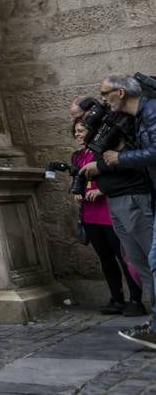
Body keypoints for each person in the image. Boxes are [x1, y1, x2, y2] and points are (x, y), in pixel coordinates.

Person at [97, 73, 156, 350]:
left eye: (104, 93)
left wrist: (120, 157)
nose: (103, 100)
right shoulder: (141, 116)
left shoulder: (152, 110)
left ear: (120, 93)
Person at [70, 118, 145, 315]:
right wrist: (77, 192)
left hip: (107, 210)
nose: (77, 134)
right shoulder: (78, 156)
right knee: (105, 258)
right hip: (90, 213)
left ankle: (136, 300)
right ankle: (117, 298)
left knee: (125, 256)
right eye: (75, 131)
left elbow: (114, 173)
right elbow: (79, 178)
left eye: (81, 130)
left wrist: (101, 191)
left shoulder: (102, 151)